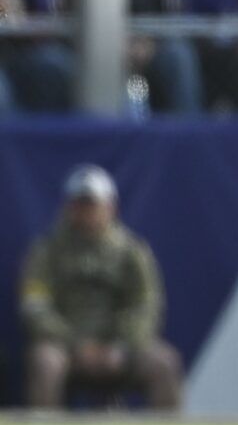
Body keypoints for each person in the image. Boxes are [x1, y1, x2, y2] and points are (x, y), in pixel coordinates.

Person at [21, 164, 182, 411]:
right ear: (68, 207)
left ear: (111, 207)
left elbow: (147, 305)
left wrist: (121, 345)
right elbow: (35, 306)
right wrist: (75, 343)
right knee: (45, 362)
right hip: (65, 347)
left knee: (164, 363)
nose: (86, 212)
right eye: (80, 204)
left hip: (121, 348)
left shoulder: (132, 252)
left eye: (93, 204)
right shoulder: (46, 252)